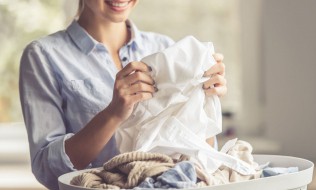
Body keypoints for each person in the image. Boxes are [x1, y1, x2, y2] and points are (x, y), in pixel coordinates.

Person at [19, 0, 227, 189]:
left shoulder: (165, 48)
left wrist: (205, 98)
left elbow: (198, 156)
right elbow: (47, 169)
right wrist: (113, 113)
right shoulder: (43, 56)